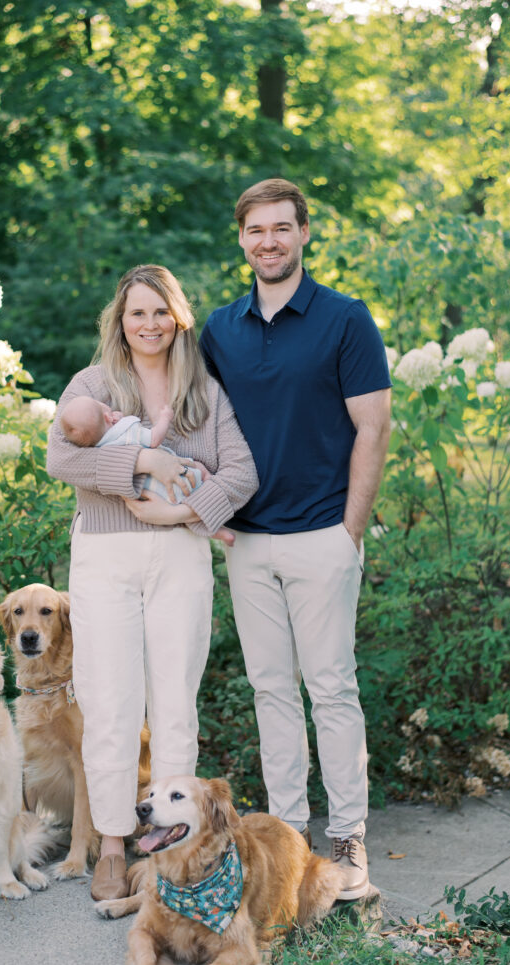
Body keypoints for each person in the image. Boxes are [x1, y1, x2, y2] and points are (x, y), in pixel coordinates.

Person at [199, 178, 392, 900]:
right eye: (256, 230)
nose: (269, 241)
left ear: (303, 233)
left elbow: (372, 427)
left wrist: (349, 530)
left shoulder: (344, 319)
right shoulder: (219, 329)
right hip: (247, 541)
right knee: (269, 691)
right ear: (241, 239)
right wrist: (209, 508)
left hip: (322, 533)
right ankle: (286, 839)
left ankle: (348, 840)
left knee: (331, 688)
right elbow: (194, 425)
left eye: (281, 228)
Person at [46, 264, 258, 900]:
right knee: (109, 702)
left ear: (178, 319)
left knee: (174, 702)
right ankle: (113, 842)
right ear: (121, 321)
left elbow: (242, 473)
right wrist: (145, 458)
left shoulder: (203, 393)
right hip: (105, 556)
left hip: (179, 555)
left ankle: (174, 840)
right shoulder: (92, 384)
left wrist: (181, 510)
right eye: (137, 313)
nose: (149, 324)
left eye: (160, 312)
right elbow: (62, 457)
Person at [59, 394, 235, 544]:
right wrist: (165, 418)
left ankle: (217, 532)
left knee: (184, 505)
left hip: (155, 495)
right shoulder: (128, 431)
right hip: (174, 480)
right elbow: (153, 439)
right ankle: (216, 521)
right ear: (108, 417)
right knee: (198, 476)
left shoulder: (98, 448)